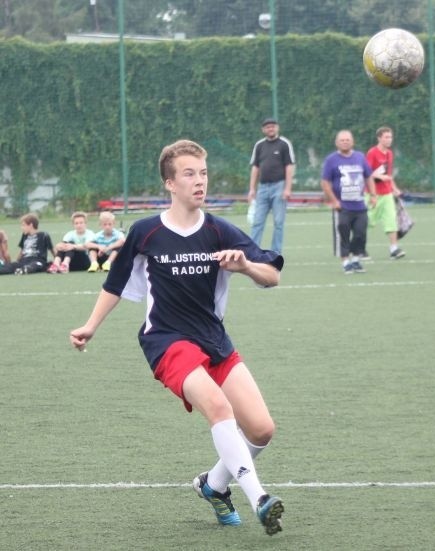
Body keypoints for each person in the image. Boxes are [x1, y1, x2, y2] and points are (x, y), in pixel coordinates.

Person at [69, 140, 285, 535]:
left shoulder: (219, 230)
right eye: (189, 174)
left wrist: (246, 267)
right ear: (170, 183)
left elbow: (272, 275)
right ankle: (259, 498)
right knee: (220, 408)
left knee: (261, 429)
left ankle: (214, 486)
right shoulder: (146, 232)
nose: (199, 181)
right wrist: (90, 325)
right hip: (166, 341)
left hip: (214, 340)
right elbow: (115, 284)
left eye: (203, 173)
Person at [320, 129, 377, 274]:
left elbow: (368, 176)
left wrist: (373, 195)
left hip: (359, 204)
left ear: (352, 141)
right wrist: (334, 201)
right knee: (343, 233)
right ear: (337, 143)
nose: (345, 142)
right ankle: (345, 262)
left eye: (347, 139)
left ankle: (356, 260)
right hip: (342, 206)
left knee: (360, 233)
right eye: (342, 140)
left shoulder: (360, 157)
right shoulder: (331, 160)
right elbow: (325, 182)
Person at [248, 117, 296, 253]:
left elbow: (289, 167)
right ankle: (252, 251)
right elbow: (255, 168)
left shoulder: (284, 144)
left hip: (279, 187)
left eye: (273, 126)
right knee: (257, 221)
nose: (270, 129)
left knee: (278, 223)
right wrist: (252, 189)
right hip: (262, 188)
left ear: (277, 128)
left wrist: (287, 188)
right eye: (268, 127)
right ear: (263, 130)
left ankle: (276, 252)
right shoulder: (259, 145)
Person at [366, 126, 405, 260]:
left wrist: (394, 188)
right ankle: (359, 247)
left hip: (386, 193)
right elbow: (367, 173)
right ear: (379, 138)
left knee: (391, 220)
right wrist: (379, 178)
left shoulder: (389, 154)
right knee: (367, 221)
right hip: (373, 193)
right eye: (386, 137)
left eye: (390, 137)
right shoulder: (372, 153)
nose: (389, 140)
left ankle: (394, 249)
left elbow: (389, 174)